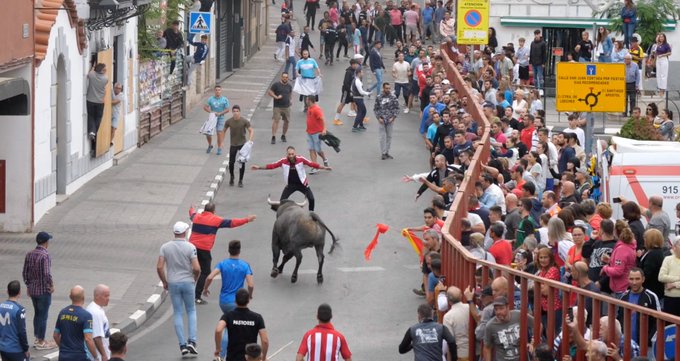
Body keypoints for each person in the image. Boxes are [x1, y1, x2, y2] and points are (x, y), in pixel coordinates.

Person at [189, 203, 255, 304]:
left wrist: (191, 208)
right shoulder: (216, 220)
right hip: (204, 250)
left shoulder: (196, 217)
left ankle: (186, 292)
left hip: (191, 248)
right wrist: (247, 219)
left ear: (204, 210)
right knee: (205, 272)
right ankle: (197, 296)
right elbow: (232, 223)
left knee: (191, 269)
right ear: (213, 211)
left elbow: (192, 214)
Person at [156, 221, 200, 356]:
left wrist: (165, 281)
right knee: (191, 310)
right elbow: (197, 268)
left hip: (173, 282)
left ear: (174, 232)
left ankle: (182, 345)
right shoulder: (190, 247)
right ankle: (192, 341)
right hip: (188, 281)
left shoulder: (165, 247)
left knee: (178, 313)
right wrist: (194, 279)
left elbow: (159, 266)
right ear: (185, 232)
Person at [251, 146, 331, 212]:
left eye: (292, 154)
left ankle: (311, 214)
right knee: (282, 202)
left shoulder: (301, 159)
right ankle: (281, 216)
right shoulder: (283, 161)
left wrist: (324, 167)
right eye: (289, 154)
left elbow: (312, 164)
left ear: (295, 153)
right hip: (290, 185)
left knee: (312, 199)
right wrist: (258, 167)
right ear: (287, 154)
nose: (291, 156)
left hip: (302, 185)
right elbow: (272, 166)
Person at [213, 289, 268, 361]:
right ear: (248, 301)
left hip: (232, 358)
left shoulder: (228, 316)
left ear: (235, 301)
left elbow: (218, 330)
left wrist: (218, 348)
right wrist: (263, 358)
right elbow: (265, 341)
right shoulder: (257, 317)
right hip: (250, 357)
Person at [22, 231, 55, 351]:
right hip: (43, 291)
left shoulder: (29, 254)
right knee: (43, 315)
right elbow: (47, 273)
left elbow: (25, 273)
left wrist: (28, 285)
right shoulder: (45, 255)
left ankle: (37, 338)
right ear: (46, 242)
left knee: (37, 314)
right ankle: (41, 341)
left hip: (33, 291)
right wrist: (51, 285)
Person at [617, 268, 661, 345]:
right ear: (627, 279)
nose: (634, 282)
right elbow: (618, 319)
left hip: (645, 345)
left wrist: (649, 340)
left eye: (637, 279)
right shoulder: (623, 297)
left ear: (643, 279)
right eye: (631, 279)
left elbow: (658, 320)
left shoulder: (651, 296)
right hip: (625, 343)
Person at [53, 286, 98, 361]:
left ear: (70, 297)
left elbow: (55, 335)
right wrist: (95, 357)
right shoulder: (86, 315)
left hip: (63, 356)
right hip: (80, 356)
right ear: (83, 297)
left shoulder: (62, 312)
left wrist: (63, 349)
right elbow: (88, 339)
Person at [483, 296, 534, 361]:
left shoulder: (518, 315)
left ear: (507, 307)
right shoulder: (490, 326)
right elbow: (487, 348)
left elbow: (538, 325)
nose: (498, 312)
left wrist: (533, 342)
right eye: (496, 309)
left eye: (501, 308)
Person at [223, 105, 254, 187]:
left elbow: (251, 130)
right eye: (234, 111)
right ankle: (232, 177)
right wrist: (221, 142)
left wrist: (250, 140)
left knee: (242, 162)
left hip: (242, 144)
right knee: (231, 162)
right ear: (232, 112)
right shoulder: (229, 121)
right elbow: (223, 131)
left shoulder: (244, 121)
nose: (236, 113)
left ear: (239, 112)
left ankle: (240, 180)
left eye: (237, 111)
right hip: (233, 144)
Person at [0, 281, 29, 361]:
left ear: (7, 291)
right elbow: (22, 332)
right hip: (16, 349)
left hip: (3, 348)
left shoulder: (0, 306)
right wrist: (26, 348)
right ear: (19, 292)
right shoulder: (19, 310)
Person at [86, 63, 109, 156]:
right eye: (105, 69)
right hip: (100, 101)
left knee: (90, 116)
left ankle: (92, 131)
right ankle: (94, 132)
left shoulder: (91, 75)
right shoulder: (105, 79)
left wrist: (93, 66)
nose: (106, 70)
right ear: (102, 71)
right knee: (98, 118)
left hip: (90, 100)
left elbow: (90, 73)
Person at [442, 287, 470, 360]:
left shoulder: (448, 317)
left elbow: (449, 340)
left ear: (448, 300)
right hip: (475, 350)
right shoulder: (470, 307)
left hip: (461, 353)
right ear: (461, 296)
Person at [374, 82, 399, 160]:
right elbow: (376, 109)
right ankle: (383, 153)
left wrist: (393, 118)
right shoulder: (379, 97)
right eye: (386, 88)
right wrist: (379, 118)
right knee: (382, 137)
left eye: (389, 88)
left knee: (389, 136)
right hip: (382, 119)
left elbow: (397, 108)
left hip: (390, 120)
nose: (388, 90)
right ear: (383, 88)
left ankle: (387, 152)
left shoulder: (393, 97)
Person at [203, 86, 231, 155]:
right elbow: (205, 107)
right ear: (214, 91)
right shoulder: (210, 99)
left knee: (219, 133)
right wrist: (211, 112)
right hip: (212, 118)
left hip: (220, 118)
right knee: (208, 133)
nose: (217, 91)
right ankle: (210, 145)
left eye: (219, 90)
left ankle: (219, 148)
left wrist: (220, 113)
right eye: (216, 90)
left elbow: (227, 109)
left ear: (221, 91)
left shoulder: (224, 99)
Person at [86, 285, 111, 361]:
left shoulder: (96, 309)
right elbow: (96, 337)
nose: (108, 299)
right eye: (106, 296)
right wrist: (104, 355)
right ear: (97, 296)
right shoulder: (96, 313)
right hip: (100, 356)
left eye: (108, 296)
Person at [304, 96, 330, 170]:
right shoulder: (309, 108)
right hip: (309, 132)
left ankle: (324, 159)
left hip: (316, 133)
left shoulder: (316, 109)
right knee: (311, 149)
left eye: (306, 100)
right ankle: (314, 166)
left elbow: (323, 119)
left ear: (310, 101)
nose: (305, 101)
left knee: (318, 150)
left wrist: (324, 129)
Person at [269, 72, 293, 144]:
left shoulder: (289, 86)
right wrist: (276, 97)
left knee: (287, 121)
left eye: (286, 77)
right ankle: (273, 136)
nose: (285, 78)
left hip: (286, 106)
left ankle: (283, 135)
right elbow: (270, 92)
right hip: (277, 106)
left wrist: (290, 100)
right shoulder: (276, 85)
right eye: (284, 77)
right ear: (281, 77)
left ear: (287, 78)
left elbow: (290, 94)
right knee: (276, 121)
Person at [658, 236, 680, 316]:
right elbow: (661, 277)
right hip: (670, 298)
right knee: (669, 325)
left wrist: (674, 284)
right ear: (674, 247)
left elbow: (666, 277)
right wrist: (678, 278)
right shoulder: (668, 259)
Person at [654, 33, 671, 97]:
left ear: (664, 38)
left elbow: (669, 53)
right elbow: (655, 52)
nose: (661, 38)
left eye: (662, 37)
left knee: (663, 75)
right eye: (660, 37)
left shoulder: (666, 45)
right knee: (658, 74)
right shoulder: (657, 44)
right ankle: (659, 88)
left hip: (664, 59)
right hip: (658, 59)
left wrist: (662, 55)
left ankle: (662, 90)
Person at [110, 83, 123, 147]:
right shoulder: (111, 92)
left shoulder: (121, 96)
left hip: (115, 114)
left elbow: (114, 102)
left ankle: (110, 141)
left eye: (120, 88)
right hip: (109, 113)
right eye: (117, 88)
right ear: (114, 88)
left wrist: (107, 101)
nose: (118, 90)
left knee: (113, 128)